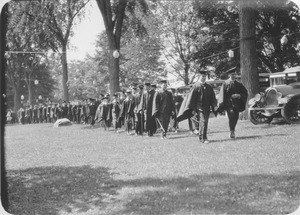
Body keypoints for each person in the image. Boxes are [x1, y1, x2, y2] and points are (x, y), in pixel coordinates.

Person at [176, 71, 217, 143]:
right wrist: (192, 109)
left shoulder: (209, 87)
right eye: (202, 76)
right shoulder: (196, 86)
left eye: (204, 76)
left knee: (205, 122)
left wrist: (214, 105)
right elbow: (192, 99)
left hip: (206, 108)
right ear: (199, 77)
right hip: (199, 108)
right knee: (203, 121)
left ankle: (204, 137)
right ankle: (203, 138)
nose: (203, 78)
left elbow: (212, 97)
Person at [217, 67, 248, 139]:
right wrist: (221, 104)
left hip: (236, 103)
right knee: (231, 115)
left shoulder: (239, 84)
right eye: (232, 74)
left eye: (234, 74)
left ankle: (232, 130)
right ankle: (232, 131)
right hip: (228, 103)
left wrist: (239, 95)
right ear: (229, 75)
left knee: (236, 117)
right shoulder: (225, 83)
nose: (233, 76)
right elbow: (222, 94)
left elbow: (245, 93)